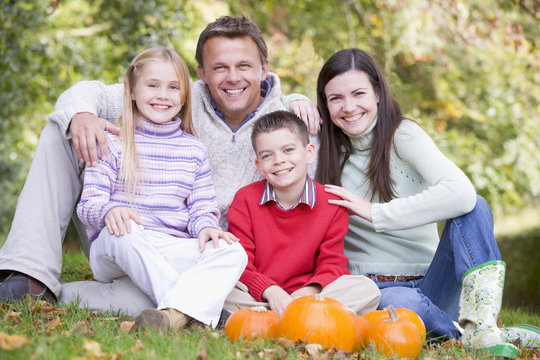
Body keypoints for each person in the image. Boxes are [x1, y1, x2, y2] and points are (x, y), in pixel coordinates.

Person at [0, 15, 319, 314]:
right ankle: (29, 272)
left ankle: (63, 296)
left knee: (142, 299)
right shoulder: (173, 94)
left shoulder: (290, 125)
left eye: (244, 66)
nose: (233, 77)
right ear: (202, 74)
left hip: (191, 247)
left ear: (264, 69)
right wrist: (82, 116)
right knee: (64, 129)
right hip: (119, 229)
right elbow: (89, 93)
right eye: (220, 67)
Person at [315, 48, 539, 357]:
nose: (349, 107)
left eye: (358, 93)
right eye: (335, 98)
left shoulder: (402, 135)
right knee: (401, 302)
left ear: (378, 93)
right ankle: (466, 335)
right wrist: (293, 101)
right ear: (324, 104)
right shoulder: (320, 146)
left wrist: (377, 213)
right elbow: (275, 130)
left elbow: (461, 192)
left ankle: (483, 325)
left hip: (433, 283)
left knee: (476, 207)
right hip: (371, 292)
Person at [77, 46, 247, 330]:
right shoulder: (113, 142)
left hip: (168, 247)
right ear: (132, 90)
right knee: (126, 228)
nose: (162, 95)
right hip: (117, 246)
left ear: (183, 97)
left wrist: (206, 227)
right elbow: (88, 206)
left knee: (232, 251)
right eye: (152, 85)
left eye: (173, 87)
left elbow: (201, 208)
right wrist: (110, 210)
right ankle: (201, 315)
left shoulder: (193, 150)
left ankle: (172, 317)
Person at [224, 110, 380, 316]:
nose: (279, 160)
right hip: (260, 295)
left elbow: (332, 264)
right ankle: (294, 317)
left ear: (309, 153)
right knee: (221, 286)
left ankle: (278, 318)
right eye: (267, 155)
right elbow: (240, 262)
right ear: (259, 166)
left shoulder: (330, 203)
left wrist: (306, 294)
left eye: (288, 150)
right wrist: (271, 291)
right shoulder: (245, 199)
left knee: (366, 289)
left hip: (310, 295)